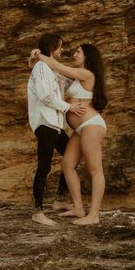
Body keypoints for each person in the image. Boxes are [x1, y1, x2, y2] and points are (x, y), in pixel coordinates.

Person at [30, 43, 108, 225]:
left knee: (95, 169)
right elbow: (53, 76)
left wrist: (39, 54)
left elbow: (57, 66)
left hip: (91, 125)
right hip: (80, 130)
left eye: (78, 52)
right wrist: (33, 65)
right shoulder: (77, 76)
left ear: (87, 56)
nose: (74, 54)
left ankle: (94, 215)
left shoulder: (87, 74)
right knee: (67, 165)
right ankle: (79, 208)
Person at [27, 33, 86, 226]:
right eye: (60, 47)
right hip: (45, 122)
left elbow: (67, 82)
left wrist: (82, 70)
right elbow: (45, 96)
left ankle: (60, 200)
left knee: (72, 158)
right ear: (53, 49)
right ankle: (37, 211)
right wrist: (70, 107)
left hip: (55, 124)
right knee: (43, 166)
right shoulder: (41, 67)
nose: (62, 50)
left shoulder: (51, 68)